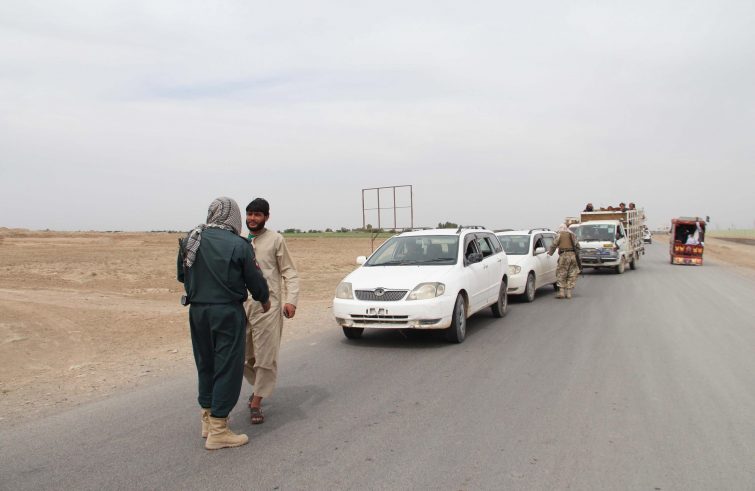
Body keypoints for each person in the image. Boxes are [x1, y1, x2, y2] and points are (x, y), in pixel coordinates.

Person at [177, 197, 270, 450]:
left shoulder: (191, 239)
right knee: (227, 367)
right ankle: (219, 429)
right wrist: (264, 299)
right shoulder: (239, 244)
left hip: (197, 312)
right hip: (227, 312)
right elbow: (255, 280)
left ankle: (207, 420)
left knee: (205, 364)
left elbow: (182, 275)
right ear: (234, 217)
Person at [243, 198, 300, 424]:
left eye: (257, 214)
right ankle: (260, 386)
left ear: (266, 217)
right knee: (243, 356)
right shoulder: (239, 239)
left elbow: (290, 272)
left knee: (265, 356)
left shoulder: (276, 240)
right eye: (250, 214)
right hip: (242, 307)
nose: (252, 218)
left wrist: (291, 300)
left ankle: (256, 401)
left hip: (268, 307)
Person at [548, 223, 581, 299]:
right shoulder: (572, 235)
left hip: (564, 255)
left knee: (561, 273)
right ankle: (569, 293)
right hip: (573, 256)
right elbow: (578, 246)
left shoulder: (559, 235)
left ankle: (562, 293)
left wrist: (550, 253)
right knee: (572, 273)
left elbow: (554, 245)